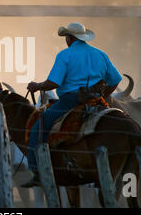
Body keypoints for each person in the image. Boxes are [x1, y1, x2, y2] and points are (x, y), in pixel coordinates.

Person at [21, 22, 122, 188]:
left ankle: (37, 172)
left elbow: (53, 82)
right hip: (96, 101)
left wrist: (36, 86)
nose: (65, 40)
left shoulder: (65, 55)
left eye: (66, 37)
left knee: (38, 128)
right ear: (83, 37)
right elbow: (116, 80)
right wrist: (103, 95)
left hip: (70, 100)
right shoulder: (100, 54)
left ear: (70, 38)